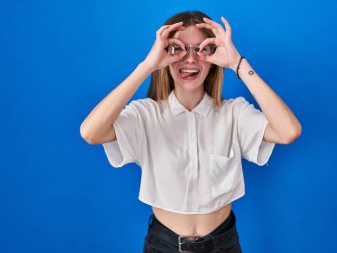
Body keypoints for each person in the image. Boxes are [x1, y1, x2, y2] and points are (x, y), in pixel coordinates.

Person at [80, 10, 301, 253]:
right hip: (162, 245)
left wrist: (237, 63)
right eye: (179, 49)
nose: (190, 59)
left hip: (223, 244)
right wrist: (147, 67)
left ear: (214, 56)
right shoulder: (145, 114)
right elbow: (91, 132)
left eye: (201, 49)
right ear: (164, 54)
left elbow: (288, 131)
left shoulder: (234, 113)